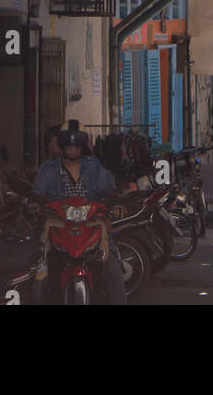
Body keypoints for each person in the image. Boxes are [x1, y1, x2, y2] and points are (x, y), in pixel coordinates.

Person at [32, 124, 126, 305]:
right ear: (62, 145)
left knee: (114, 274)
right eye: (68, 146)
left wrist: (115, 206)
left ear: (82, 146)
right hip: (57, 226)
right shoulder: (48, 169)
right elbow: (36, 195)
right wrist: (34, 206)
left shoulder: (94, 167)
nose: (72, 150)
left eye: (76, 146)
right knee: (36, 272)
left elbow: (109, 193)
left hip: (92, 226)